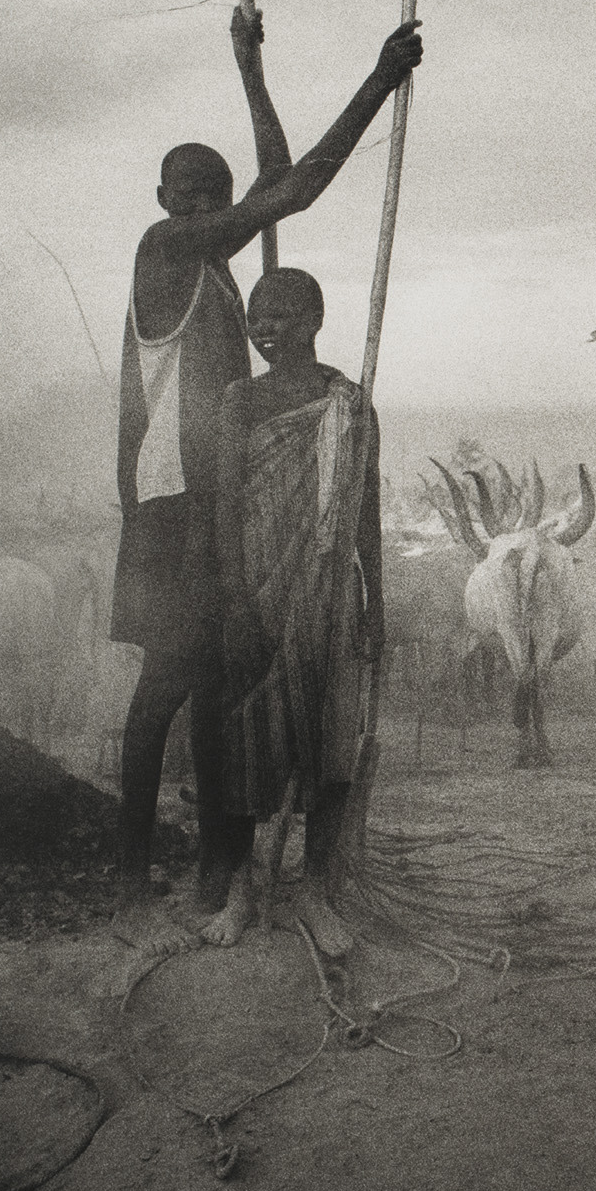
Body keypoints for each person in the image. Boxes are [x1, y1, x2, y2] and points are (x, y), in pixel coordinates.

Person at [108, 9, 421, 956]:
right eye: (188, 190)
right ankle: (154, 875)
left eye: (215, 193)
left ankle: (221, 871)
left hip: (207, 498)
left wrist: (250, 68)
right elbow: (299, 189)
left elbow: (279, 183)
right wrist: (378, 78)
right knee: (174, 687)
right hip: (172, 506)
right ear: (163, 195)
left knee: (212, 685)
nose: (201, 202)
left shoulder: (209, 258)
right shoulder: (167, 249)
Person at [205, 267, 381, 955]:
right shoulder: (240, 401)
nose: (265, 327)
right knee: (251, 735)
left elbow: (364, 506)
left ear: (316, 318)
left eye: (280, 314)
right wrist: (235, 601)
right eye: (256, 315)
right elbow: (224, 507)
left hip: (331, 589)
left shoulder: (350, 401)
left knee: (328, 735)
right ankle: (246, 888)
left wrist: (375, 601)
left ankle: (314, 889)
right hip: (259, 586)